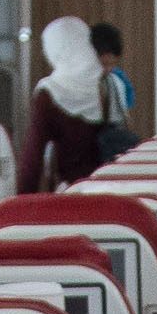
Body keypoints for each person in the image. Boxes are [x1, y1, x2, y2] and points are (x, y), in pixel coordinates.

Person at [18, 13, 110, 192]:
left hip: (68, 192)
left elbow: (33, 157)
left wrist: (18, 205)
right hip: (105, 188)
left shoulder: (49, 92)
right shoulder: (103, 85)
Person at [89, 21, 140, 142]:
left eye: (112, 64)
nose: (108, 69)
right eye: (103, 64)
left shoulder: (116, 82)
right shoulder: (75, 86)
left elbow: (125, 120)